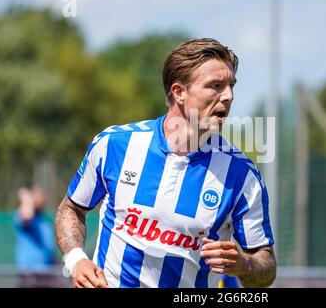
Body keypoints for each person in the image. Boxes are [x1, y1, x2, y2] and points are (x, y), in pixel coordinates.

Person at [54, 38, 276, 288]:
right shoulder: (114, 145)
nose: (229, 96)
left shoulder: (242, 174)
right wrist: (76, 260)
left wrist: (244, 264)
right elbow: (71, 208)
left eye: (231, 86)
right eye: (216, 86)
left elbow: (266, 264)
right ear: (179, 92)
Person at [14, 185, 61, 287]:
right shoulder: (25, 218)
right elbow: (27, 215)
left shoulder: (44, 221)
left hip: (47, 274)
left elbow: (49, 249)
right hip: (30, 274)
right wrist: (28, 199)